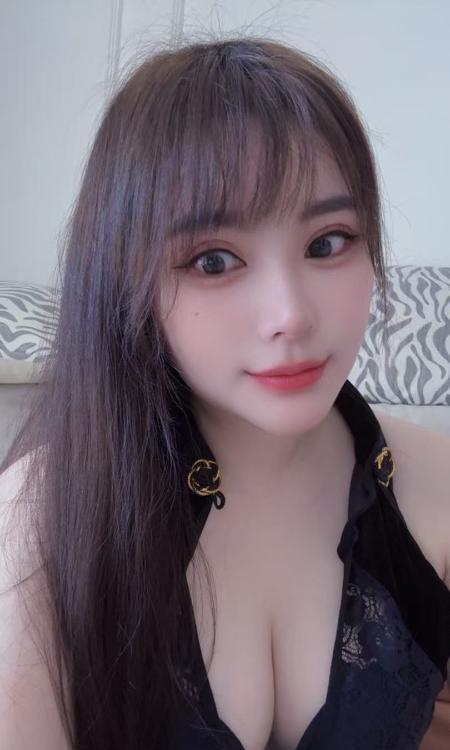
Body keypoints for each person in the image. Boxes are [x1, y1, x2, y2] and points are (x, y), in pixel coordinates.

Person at [0, 35, 449, 750]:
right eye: (214, 261)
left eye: (328, 242)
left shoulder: (434, 484)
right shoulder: (42, 519)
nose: (290, 315)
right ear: (126, 279)